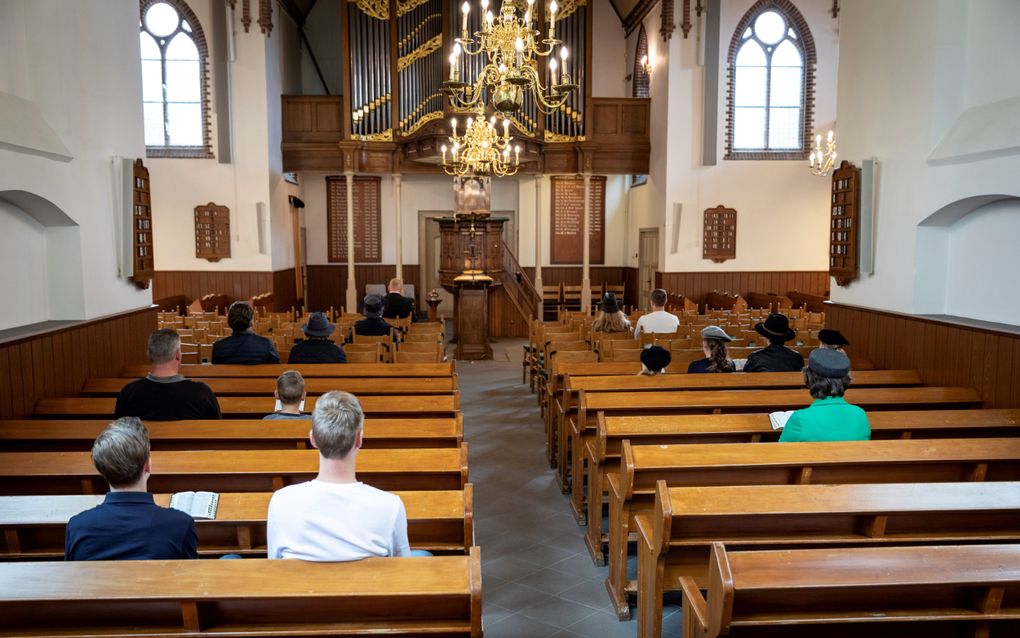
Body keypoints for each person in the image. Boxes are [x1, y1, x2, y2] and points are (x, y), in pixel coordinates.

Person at [267, 391, 415, 561]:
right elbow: (402, 571)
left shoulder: (281, 502)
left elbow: (275, 566)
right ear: (359, 439)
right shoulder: (391, 506)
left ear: (313, 439)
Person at [65, 417, 198, 560]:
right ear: (147, 466)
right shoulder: (180, 524)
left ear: (102, 471)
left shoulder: (78, 526)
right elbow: (191, 578)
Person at [115, 328, 221, 420]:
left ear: (149, 355)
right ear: (178, 355)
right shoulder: (202, 393)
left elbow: (119, 433)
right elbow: (217, 430)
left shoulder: (129, 393)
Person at [779, 349, 871, 442]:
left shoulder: (799, 419)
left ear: (809, 378)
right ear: (846, 379)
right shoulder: (860, 415)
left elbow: (780, 451)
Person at [211, 301, 280, 365]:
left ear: (229, 322)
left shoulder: (219, 347)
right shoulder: (266, 344)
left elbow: (216, 371)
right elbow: (276, 368)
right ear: (251, 322)